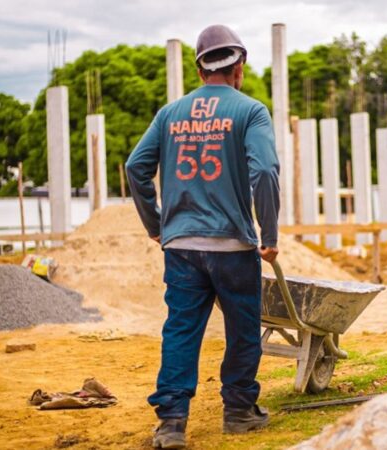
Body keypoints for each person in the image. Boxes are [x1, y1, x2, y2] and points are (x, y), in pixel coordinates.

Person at [125, 24, 280, 449]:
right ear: (240, 66)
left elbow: (135, 167)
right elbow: (265, 171)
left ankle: (172, 423)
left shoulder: (169, 114)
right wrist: (269, 235)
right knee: (243, 329)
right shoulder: (251, 111)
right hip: (232, 245)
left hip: (181, 248)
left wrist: (157, 227)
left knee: (180, 329)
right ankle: (239, 411)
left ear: (199, 71)